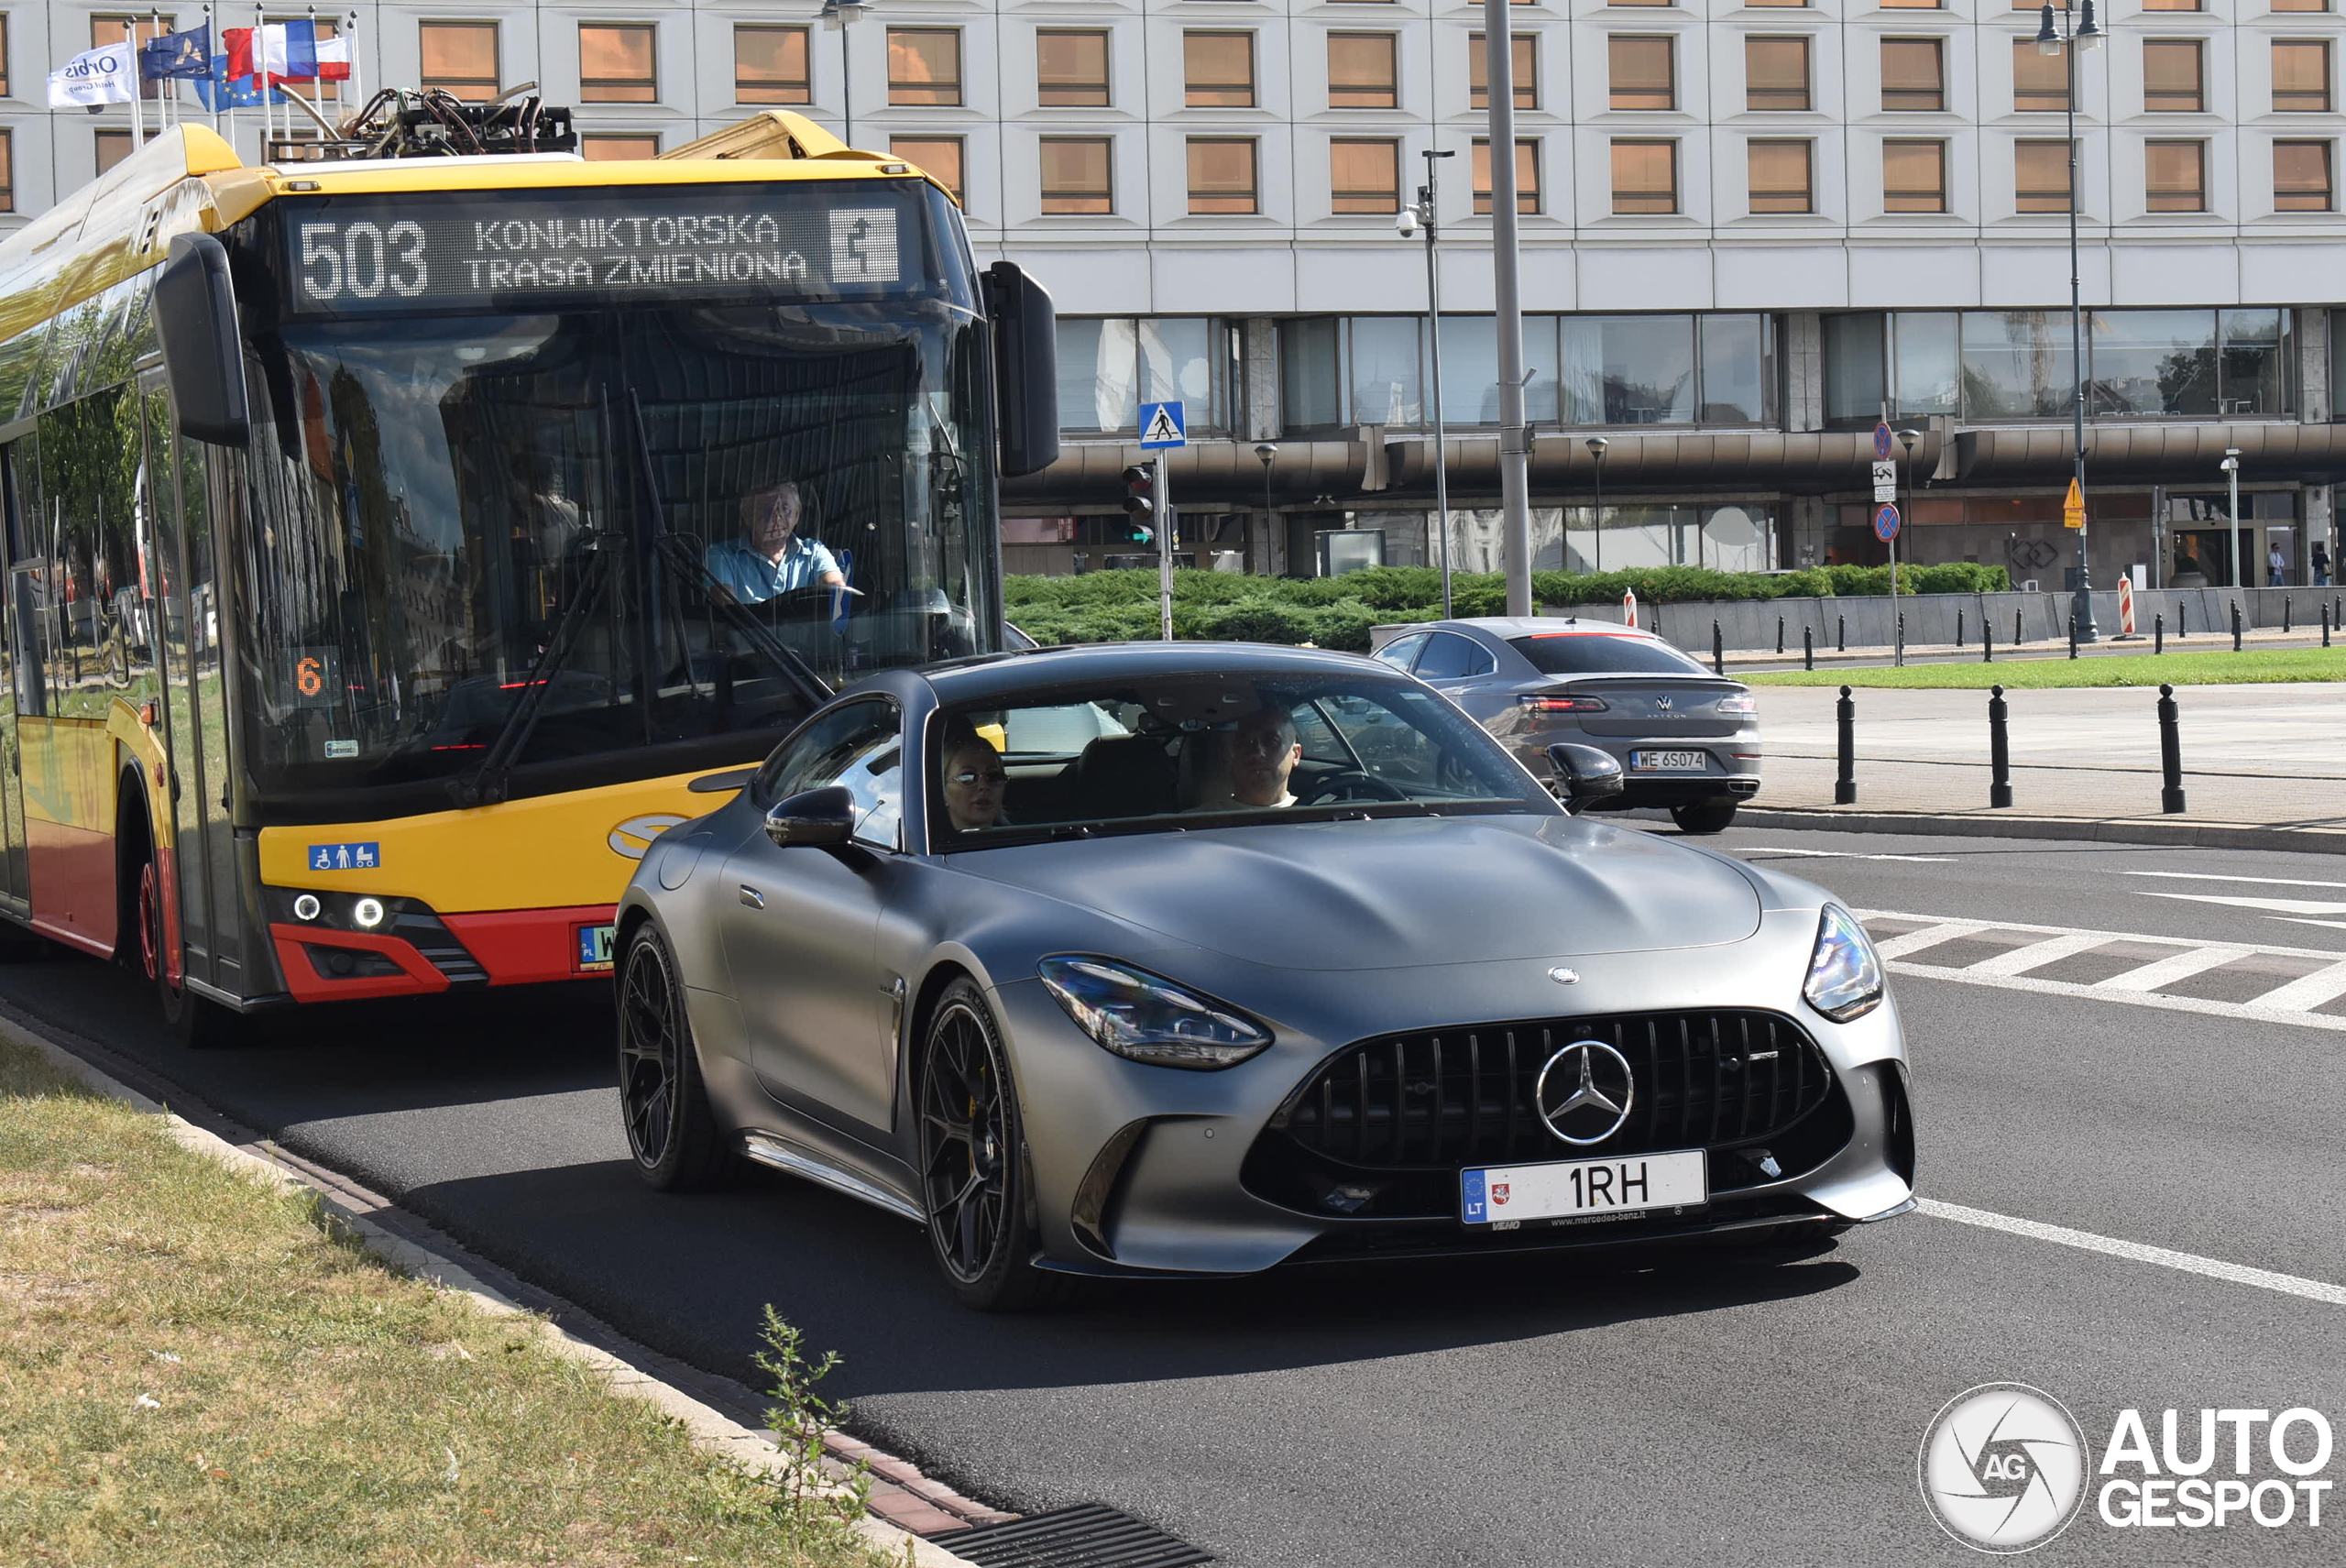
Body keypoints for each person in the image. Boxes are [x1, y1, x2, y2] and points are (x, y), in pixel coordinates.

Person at [703, 480, 846, 605]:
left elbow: (837, 594)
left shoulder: (815, 552)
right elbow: (725, 607)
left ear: (797, 515)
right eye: (766, 510)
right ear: (747, 516)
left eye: (785, 509)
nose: (776, 518)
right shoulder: (721, 556)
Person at [1188, 706, 1302, 811]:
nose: (1257, 752)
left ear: (1296, 755)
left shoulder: (1315, 816)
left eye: (1271, 741)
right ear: (1231, 753)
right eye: (1244, 742)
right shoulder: (1192, 825)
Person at [937, 720, 1008, 830]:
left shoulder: (1023, 842)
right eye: (967, 778)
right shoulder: (924, 843)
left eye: (994, 777)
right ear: (942, 791)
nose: (983, 786)